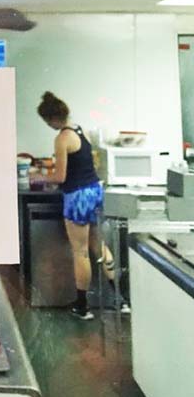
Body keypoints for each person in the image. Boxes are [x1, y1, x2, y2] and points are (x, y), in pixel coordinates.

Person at [36, 91, 129, 320]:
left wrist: (37, 177)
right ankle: (123, 300)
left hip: (77, 196)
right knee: (99, 245)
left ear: (51, 119)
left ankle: (82, 306)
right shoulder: (81, 130)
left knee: (80, 252)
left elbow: (60, 176)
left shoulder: (62, 138)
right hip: (94, 191)